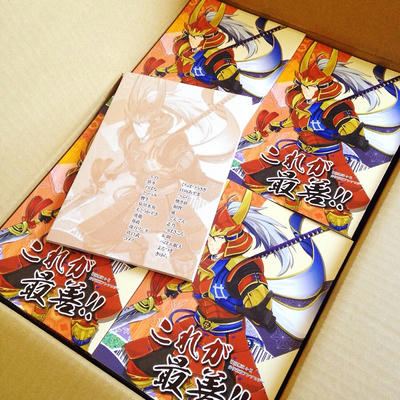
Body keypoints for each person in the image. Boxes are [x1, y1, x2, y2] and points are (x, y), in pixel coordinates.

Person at [124, 189, 293, 399]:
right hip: (195, 330)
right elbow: (194, 286)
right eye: (210, 237)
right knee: (138, 366)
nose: (211, 243)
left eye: (217, 238)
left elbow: (256, 292)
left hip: (226, 340)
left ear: (231, 240)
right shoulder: (207, 262)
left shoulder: (243, 268)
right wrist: (160, 296)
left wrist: (257, 304)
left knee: (243, 391)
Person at [241, 41, 375, 231]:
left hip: (327, 159)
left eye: (310, 87)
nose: (305, 91)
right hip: (299, 153)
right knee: (255, 179)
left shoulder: (333, 108)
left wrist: (352, 132)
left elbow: (350, 128)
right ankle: (288, 195)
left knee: (338, 213)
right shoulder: (299, 101)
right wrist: (276, 125)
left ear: (322, 87)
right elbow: (297, 121)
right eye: (303, 85)